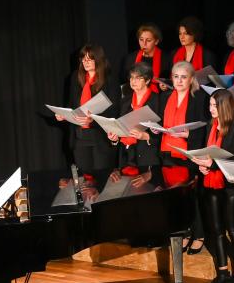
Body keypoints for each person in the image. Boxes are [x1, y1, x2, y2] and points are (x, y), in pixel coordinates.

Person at [193, 89, 234, 283]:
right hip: (212, 183)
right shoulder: (211, 125)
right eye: (209, 105)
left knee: (233, 231)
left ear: (224, 106)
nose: (210, 109)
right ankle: (222, 273)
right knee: (215, 230)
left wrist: (212, 164)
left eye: (214, 106)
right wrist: (204, 167)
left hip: (231, 186)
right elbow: (208, 153)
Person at [57, 43, 120, 188]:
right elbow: (71, 104)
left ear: (98, 59)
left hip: (100, 136)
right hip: (80, 136)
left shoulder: (110, 78)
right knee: (85, 182)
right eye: (83, 59)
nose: (85, 62)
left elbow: (114, 109)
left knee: (102, 181)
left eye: (90, 59)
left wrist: (92, 119)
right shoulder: (75, 77)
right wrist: (64, 114)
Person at [105, 62, 164, 190]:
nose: (133, 81)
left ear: (147, 80)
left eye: (138, 78)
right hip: (126, 159)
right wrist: (115, 138)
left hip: (148, 161)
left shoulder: (158, 100)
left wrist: (146, 136)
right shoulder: (125, 100)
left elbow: (164, 131)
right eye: (131, 78)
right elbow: (120, 126)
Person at [154, 61, 209, 190]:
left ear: (191, 79)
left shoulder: (200, 98)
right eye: (176, 76)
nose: (179, 81)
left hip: (188, 156)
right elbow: (160, 121)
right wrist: (156, 129)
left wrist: (189, 134)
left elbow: (206, 127)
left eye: (184, 77)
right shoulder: (165, 96)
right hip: (166, 154)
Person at [121, 23, 165, 89]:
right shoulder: (131, 58)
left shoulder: (165, 59)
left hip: (159, 94)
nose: (144, 44)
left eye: (148, 40)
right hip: (135, 93)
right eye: (141, 40)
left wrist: (164, 86)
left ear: (156, 41)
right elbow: (125, 80)